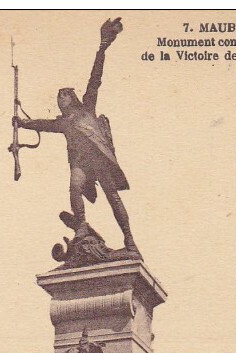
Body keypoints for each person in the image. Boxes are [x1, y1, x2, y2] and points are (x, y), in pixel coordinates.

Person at [13, 18, 141, 258]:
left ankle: (130, 242)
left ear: (71, 98)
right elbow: (44, 124)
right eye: (57, 99)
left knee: (112, 198)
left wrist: (102, 47)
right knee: (73, 186)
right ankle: (81, 226)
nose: (59, 102)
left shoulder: (86, 110)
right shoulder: (62, 123)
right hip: (81, 163)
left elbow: (95, 78)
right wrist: (22, 123)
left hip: (99, 159)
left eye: (62, 98)